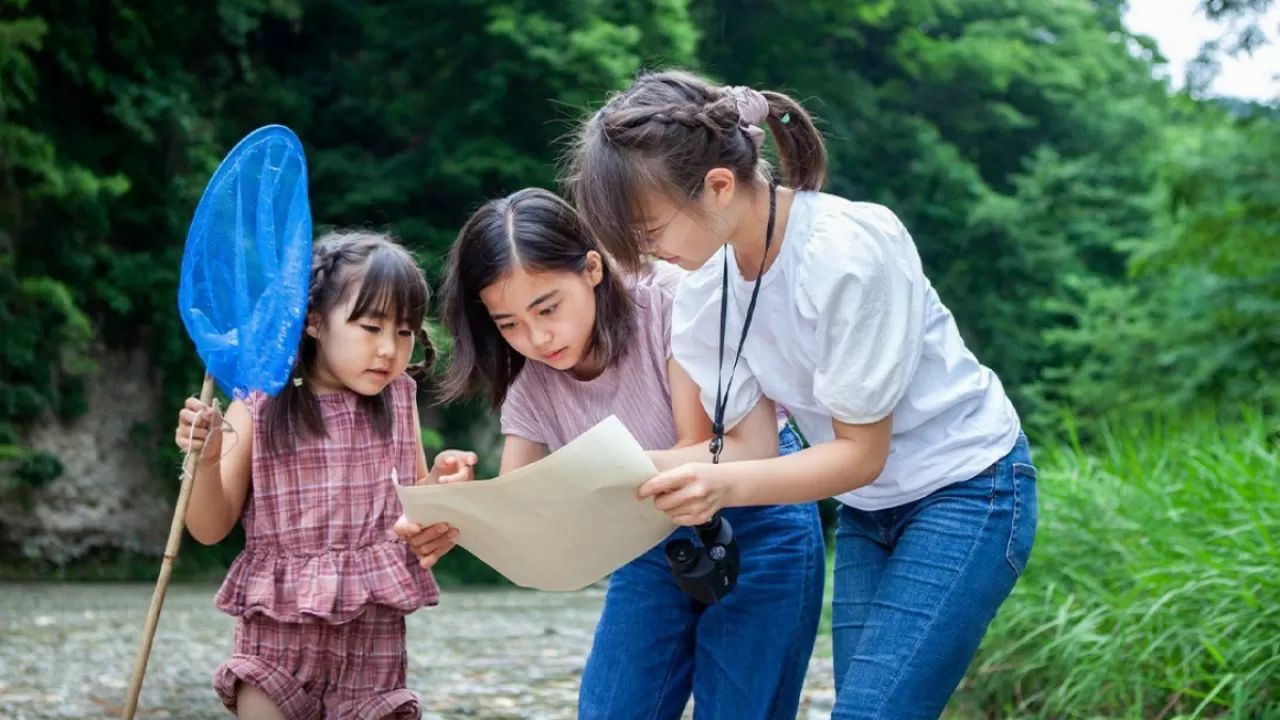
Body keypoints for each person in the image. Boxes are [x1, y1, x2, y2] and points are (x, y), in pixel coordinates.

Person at [562, 69, 1039, 720]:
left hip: (970, 489)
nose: (646, 257)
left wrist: (718, 488)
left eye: (648, 233)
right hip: (873, 511)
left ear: (719, 187)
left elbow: (859, 454)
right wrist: (595, 479)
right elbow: (751, 448)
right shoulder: (706, 292)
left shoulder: (846, 254)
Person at [395, 187, 824, 719]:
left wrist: (581, 476)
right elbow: (521, 507)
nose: (536, 337)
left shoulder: (670, 300)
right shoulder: (530, 380)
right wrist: (456, 507)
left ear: (592, 268)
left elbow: (699, 450)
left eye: (547, 307)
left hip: (757, 512)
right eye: (508, 324)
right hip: (644, 534)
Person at [175, 231, 475, 720]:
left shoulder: (399, 400)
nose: (388, 350)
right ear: (314, 320)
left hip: (371, 647)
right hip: (277, 640)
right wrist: (204, 460)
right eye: (370, 327)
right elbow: (208, 529)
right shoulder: (258, 400)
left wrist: (443, 487)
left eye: (403, 332)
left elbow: (418, 528)